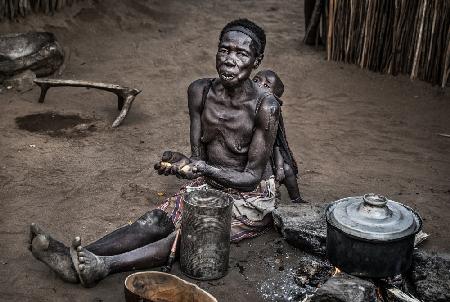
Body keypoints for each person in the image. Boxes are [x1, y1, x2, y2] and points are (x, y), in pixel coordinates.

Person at [29, 18, 281, 288]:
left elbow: (251, 178)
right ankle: (76, 256)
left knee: (190, 233)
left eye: (241, 53)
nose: (230, 60)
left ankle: (105, 266)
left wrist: (204, 170)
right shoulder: (200, 91)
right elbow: (199, 160)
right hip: (209, 184)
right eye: (224, 50)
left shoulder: (265, 107)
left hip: (250, 197)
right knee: (153, 221)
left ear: (257, 61)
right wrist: (184, 164)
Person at [252, 70, 305, 203]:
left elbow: (276, 145)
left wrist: (280, 167)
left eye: (266, 85)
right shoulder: (240, 103)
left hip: (265, 155)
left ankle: (296, 198)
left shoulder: (270, 113)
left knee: (287, 170)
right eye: (256, 80)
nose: (259, 85)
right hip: (242, 155)